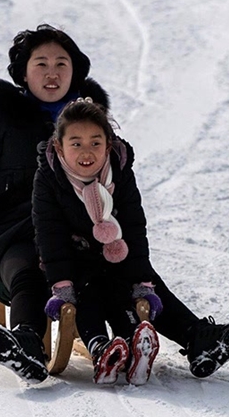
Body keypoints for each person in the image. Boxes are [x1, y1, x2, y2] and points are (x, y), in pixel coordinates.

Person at [0, 24, 229, 384]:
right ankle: (27, 344)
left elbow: (117, 181)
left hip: (84, 226)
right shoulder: (0, 120)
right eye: (41, 64)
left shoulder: (92, 124)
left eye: (61, 64)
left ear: (75, 71)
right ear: (23, 72)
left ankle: (196, 338)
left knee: (126, 265)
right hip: (16, 231)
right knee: (30, 271)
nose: (52, 73)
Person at [32, 98, 161, 385]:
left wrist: (142, 281)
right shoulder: (50, 179)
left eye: (95, 142)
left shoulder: (119, 174)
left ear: (108, 144)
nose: (86, 152)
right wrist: (61, 284)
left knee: (120, 293)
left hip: (112, 262)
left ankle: (135, 346)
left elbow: (135, 227)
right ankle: (102, 350)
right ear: (59, 147)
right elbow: (49, 234)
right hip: (74, 267)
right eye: (76, 143)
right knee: (86, 295)